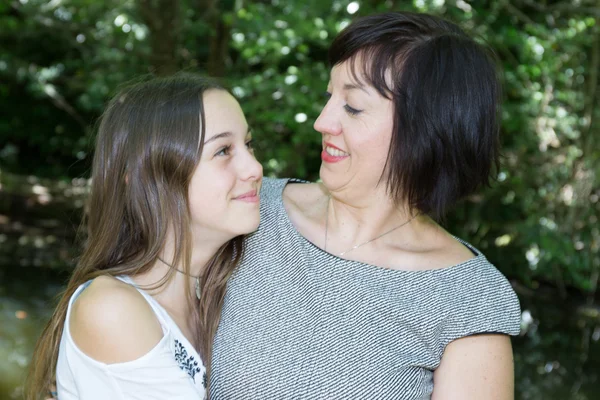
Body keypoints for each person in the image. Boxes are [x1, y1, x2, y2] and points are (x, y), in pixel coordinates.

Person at [210, 12, 521, 399]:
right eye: (330, 98)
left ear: (425, 131)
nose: (322, 122)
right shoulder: (251, 210)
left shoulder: (468, 298)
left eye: (352, 107)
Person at [26, 74, 262, 400]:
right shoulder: (112, 308)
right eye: (223, 150)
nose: (255, 168)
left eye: (247, 145)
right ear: (145, 177)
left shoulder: (217, 299)